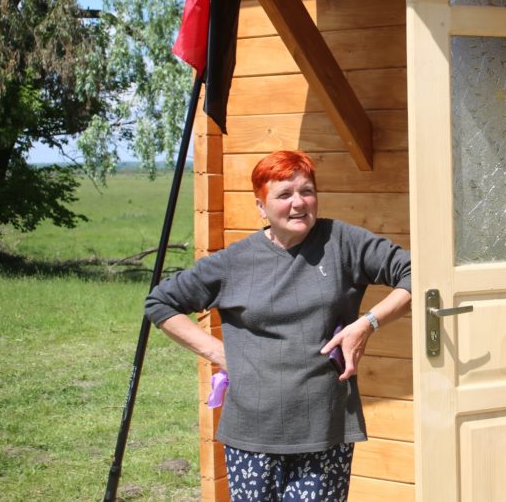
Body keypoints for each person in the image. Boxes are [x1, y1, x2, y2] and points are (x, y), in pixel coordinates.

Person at [145, 149, 412, 501]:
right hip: (252, 434)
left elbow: (419, 273)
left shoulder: (343, 243)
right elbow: (160, 303)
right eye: (284, 195)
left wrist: (368, 323)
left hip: (324, 430)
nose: (298, 203)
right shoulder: (235, 262)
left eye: (307, 191)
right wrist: (219, 353)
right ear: (261, 206)